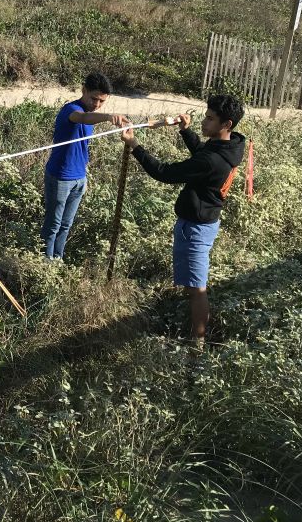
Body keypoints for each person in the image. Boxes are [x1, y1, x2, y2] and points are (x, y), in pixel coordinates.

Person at [121, 94, 246, 345]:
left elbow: (164, 173)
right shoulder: (231, 145)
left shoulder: (212, 160)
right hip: (204, 222)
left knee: (197, 289)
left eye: (210, 119)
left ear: (227, 124)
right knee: (193, 285)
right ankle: (195, 336)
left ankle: (197, 345)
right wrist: (187, 132)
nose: (204, 122)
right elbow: (203, 155)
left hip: (196, 228)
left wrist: (135, 145)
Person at [41, 72, 129, 260]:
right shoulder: (71, 110)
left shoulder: (90, 112)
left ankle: (58, 259)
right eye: (94, 98)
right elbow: (81, 118)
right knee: (53, 224)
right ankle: (45, 262)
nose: (96, 104)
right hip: (60, 177)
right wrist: (107, 116)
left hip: (79, 177)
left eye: (102, 102)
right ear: (83, 90)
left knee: (66, 224)